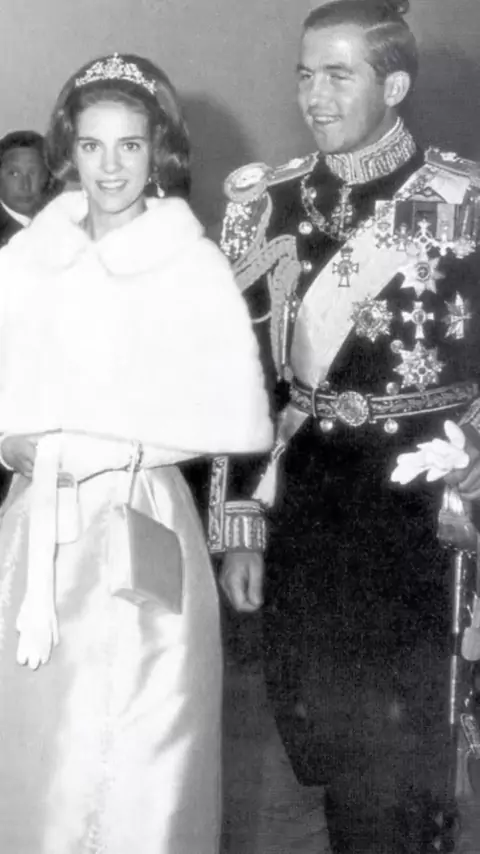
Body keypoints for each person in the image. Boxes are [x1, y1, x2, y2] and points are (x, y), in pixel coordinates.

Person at [209, 1, 480, 851]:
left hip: (421, 513)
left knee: (402, 763)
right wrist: (242, 524)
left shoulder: (465, 199)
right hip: (311, 510)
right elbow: (243, 380)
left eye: (338, 75)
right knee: (323, 737)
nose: (313, 97)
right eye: (304, 74)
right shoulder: (268, 205)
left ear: (393, 85)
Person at [0, 52, 272, 854]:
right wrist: (12, 442)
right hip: (38, 530)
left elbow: (230, 413)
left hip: (139, 515)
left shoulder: (191, 265)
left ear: (160, 152)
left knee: (140, 745)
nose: (110, 166)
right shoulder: (26, 260)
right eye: (92, 146)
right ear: (68, 151)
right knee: (39, 741)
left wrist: (112, 442)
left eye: (129, 145)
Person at [0, 130, 61, 247]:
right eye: (14, 174)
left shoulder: (64, 227)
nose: (25, 185)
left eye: (33, 173)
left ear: (50, 178)